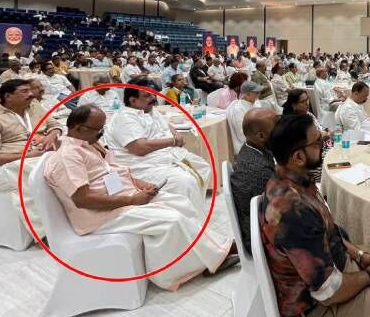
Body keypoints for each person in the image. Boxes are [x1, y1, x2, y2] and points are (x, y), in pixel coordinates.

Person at [259, 114, 370, 317]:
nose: (325, 142)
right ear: (298, 157)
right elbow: (327, 290)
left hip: (336, 265)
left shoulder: (295, 178)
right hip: (318, 304)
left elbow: (328, 231)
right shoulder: (293, 210)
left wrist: (358, 254)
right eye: (317, 142)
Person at [44, 105, 236, 290]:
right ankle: (180, 271)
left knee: (180, 203)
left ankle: (216, 249)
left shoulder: (88, 144)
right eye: (99, 130)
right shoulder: (68, 156)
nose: (102, 134)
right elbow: (83, 199)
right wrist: (132, 200)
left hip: (121, 196)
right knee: (172, 219)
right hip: (100, 215)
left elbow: (113, 173)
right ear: (79, 128)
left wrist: (141, 185)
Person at [104, 79, 211, 215]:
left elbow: (165, 125)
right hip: (143, 165)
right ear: (133, 100)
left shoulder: (148, 110)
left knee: (202, 166)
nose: (153, 98)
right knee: (184, 182)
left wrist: (176, 134)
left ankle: (196, 212)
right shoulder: (125, 118)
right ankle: (185, 218)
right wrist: (173, 141)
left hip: (163, 156)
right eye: (147, 96)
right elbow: (139, 148)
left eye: (153, 94)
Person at [0, 79, 64, 234]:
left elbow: (55, 125)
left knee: (75, 154)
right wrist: (27, 155)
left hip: (37, 156)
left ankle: (71, 216)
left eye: (30, 90)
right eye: (24, 91)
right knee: (34, 171)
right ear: (8, 96)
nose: (31, 94)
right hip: (2, 169)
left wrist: (51, 136)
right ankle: (44, 233)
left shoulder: (34, 106)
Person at [230, 107, 277, 255]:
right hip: (263, 242)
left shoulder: (251, 147)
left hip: (260, 227)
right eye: (277, 125)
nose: (282, 129)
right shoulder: (259, 171)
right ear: (261, 136)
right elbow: (277, 216)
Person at [226, 81, 264, 154]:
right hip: (247, 147)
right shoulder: (238, 109)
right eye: (256, 92)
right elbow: (242, 134)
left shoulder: (256, 103)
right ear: (247, 94)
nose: (259, 94)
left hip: (259, 139)